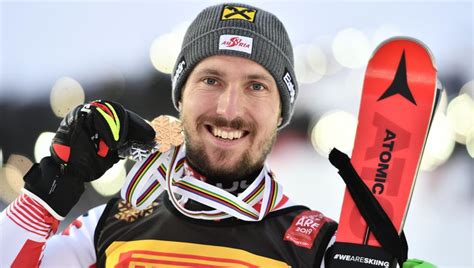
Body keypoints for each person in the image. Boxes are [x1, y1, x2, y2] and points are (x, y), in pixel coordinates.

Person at [0, 3, 338, 267]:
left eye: (256, 86)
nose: (229, 109)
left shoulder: (321, 247)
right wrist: (47, 192)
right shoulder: (107, 227)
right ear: (180, 97)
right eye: (211, 80)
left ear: (280, 113)